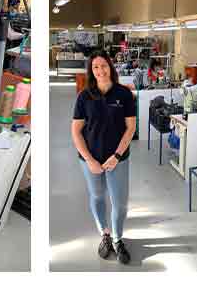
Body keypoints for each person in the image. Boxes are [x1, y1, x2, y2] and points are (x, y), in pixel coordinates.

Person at [71, 52, 136, 266]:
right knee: (97, 196)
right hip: (90, 159)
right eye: (96, 67)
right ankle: (105, 234)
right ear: (91, 70)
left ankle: (118, 239)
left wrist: (117, 155)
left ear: (110, 67)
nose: (100, 70)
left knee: (120, 203)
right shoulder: (84, 96)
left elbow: (130, 128)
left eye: (104, 66)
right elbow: (76, 131)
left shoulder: (124, 94)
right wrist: (89, 160)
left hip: (118, 159)